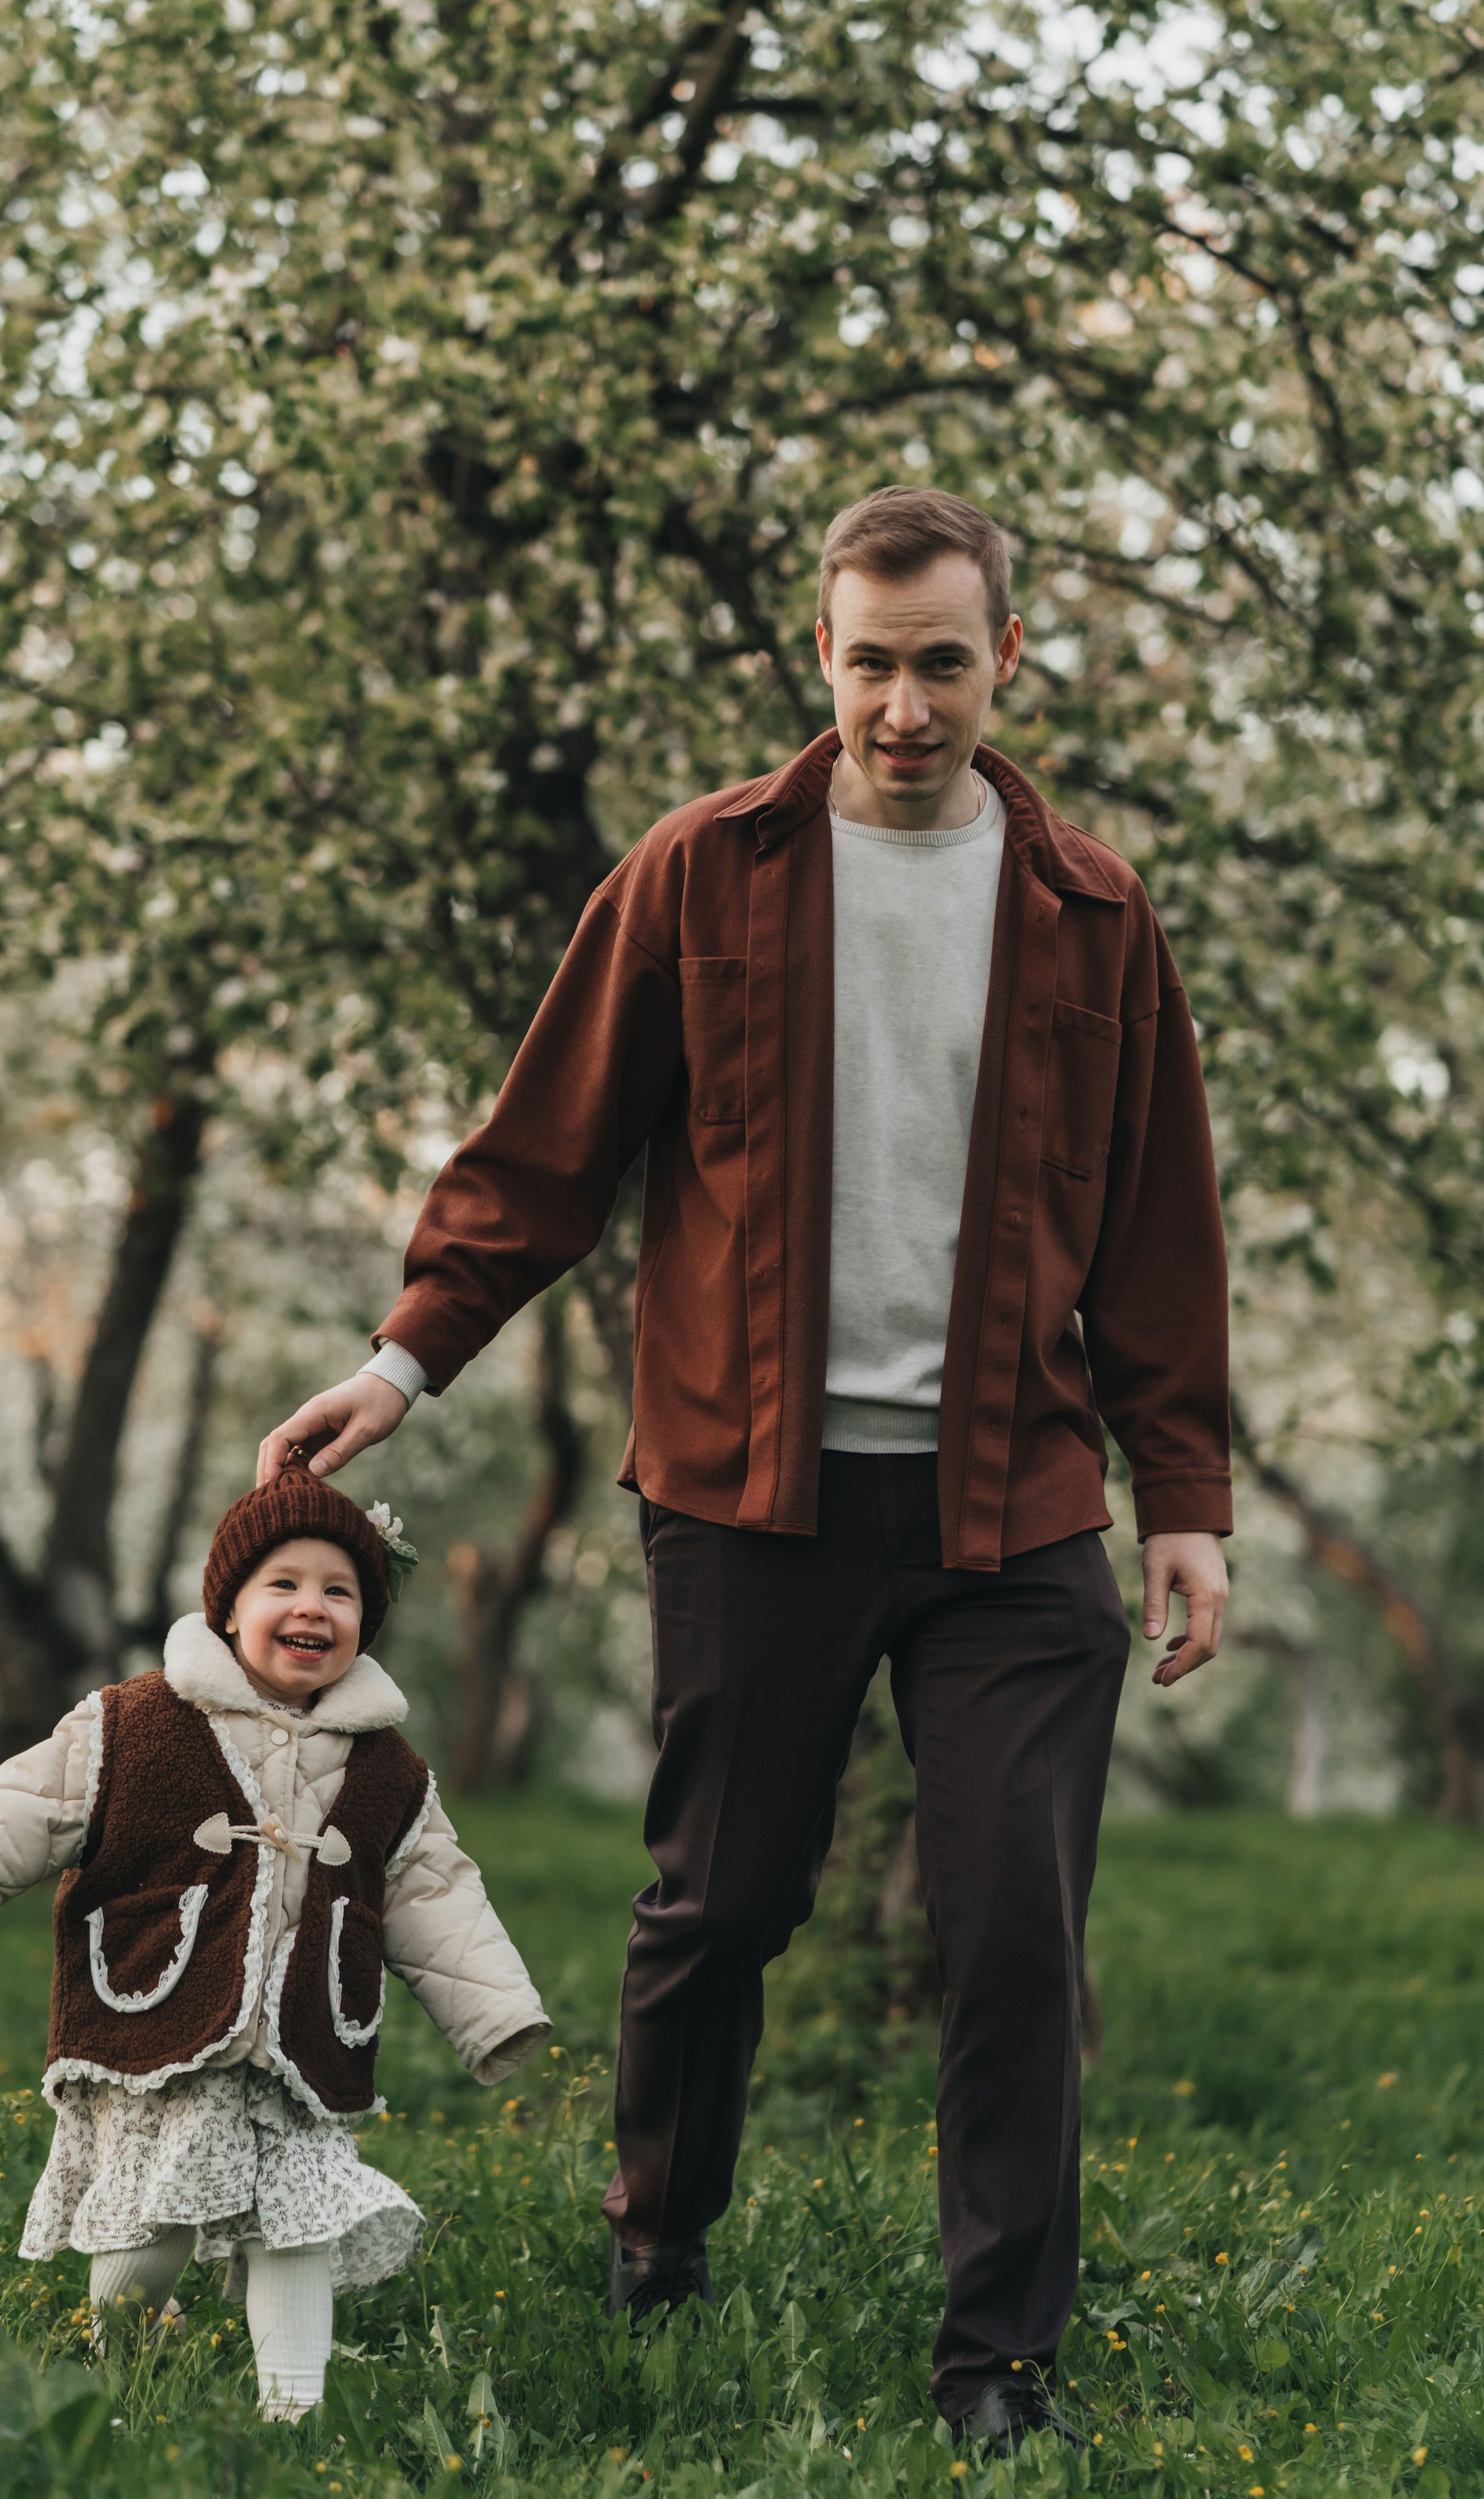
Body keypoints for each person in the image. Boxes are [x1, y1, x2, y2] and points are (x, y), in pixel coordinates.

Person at [259, 487, 1232, 2453]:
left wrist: (1187, 1501)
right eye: (869, 663)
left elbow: (1155, 1237)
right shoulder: (703, 876)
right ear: (823, 658)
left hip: (1013, 1511)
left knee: (1018, 1931)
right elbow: (546, 1155)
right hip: (748, 1493)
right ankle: (660, 2238)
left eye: (942, 663)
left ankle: (1001, 2366)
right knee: (719, 1905)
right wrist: (403, 1362)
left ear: (1007, 664)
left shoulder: (1097, 915)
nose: (902, 706)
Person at [0, 1472, 549, 2422]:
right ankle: (125, 2364)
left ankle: (291, 2417)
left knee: (297, 2232)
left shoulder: (389, 1769)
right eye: (283, 1585)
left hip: (301, 2050)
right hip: (159, 2031)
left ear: (366, 1622)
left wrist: (494, 2015)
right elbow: (17, 1812)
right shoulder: (136, 1722)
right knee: (147, 2237)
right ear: (229, 1609)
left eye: (340, 1592)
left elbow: (437, 1897)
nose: (313, 1608)